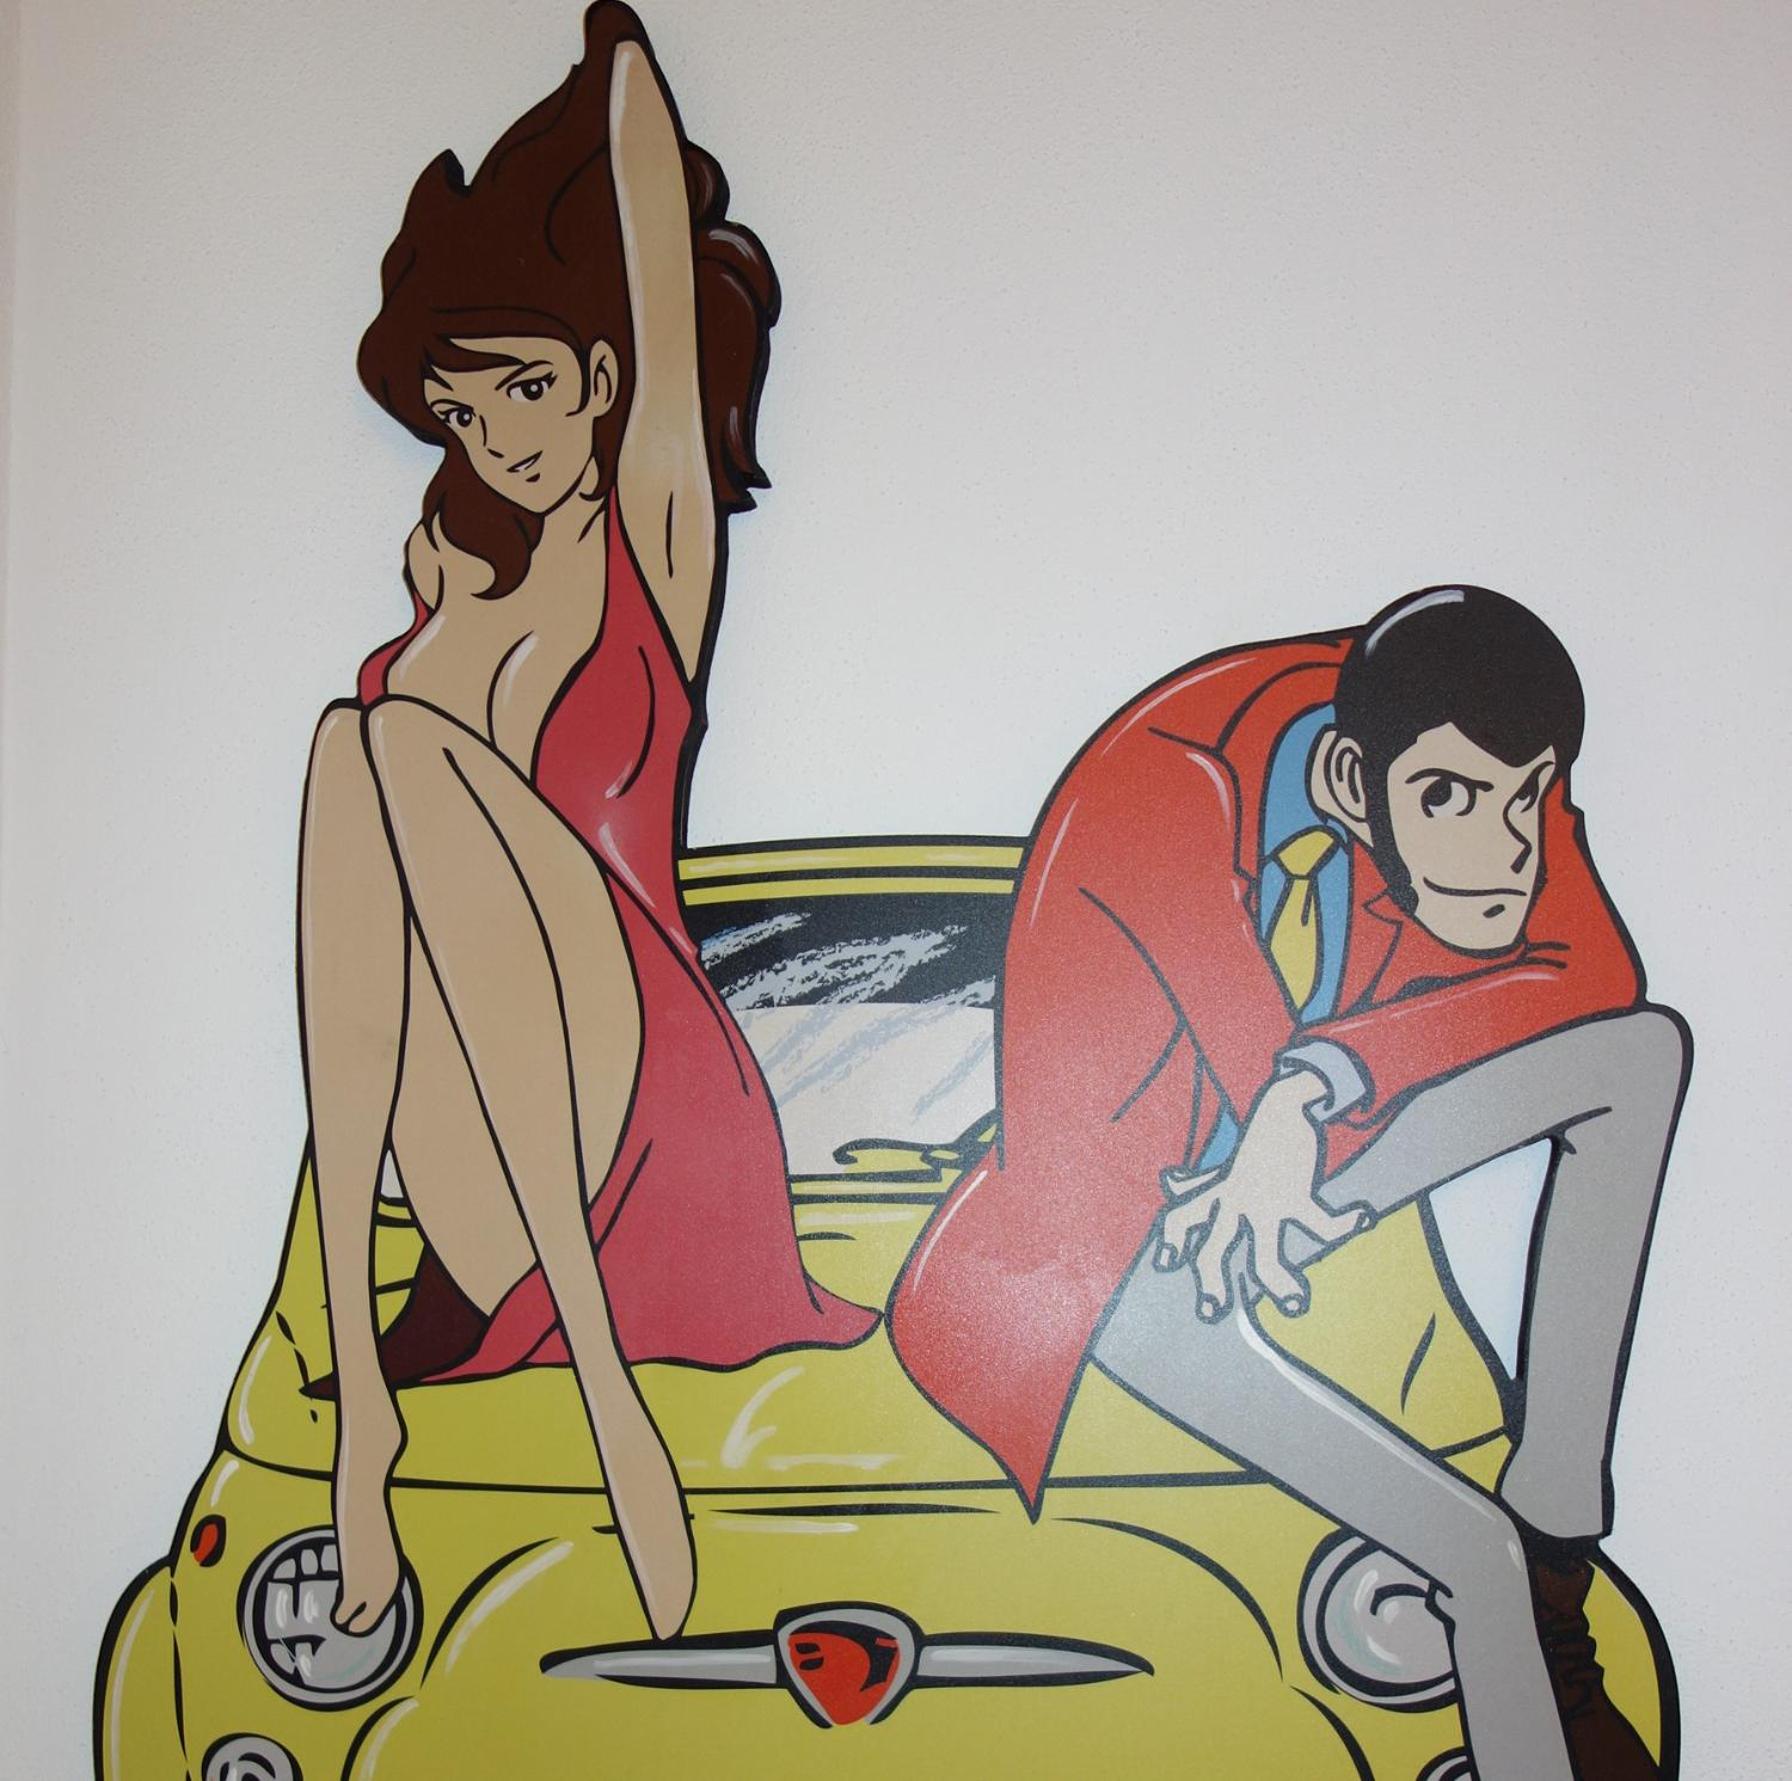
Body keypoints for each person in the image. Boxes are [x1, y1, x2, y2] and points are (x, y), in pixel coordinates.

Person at [889, 587, 1686, 1780]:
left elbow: (1593, 970)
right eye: (1450, 801)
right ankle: (1525, 1612)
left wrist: (1317, 1082)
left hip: (1303, 1164)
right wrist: (1303, 1089)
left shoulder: (1473, 714)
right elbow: (1253, 1061)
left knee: (1640, 1055)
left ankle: (1557, 1540)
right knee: (1468, 1555)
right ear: (1353, 784)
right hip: (1131, 1257)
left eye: (1525, 799)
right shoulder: (1164, 788)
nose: (1507, 846)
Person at [300, 2, 875, 1646]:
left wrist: (617, 60)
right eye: (465, 410)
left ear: (604, 378)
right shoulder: (431, 630)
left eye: (532, 392)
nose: (503, 440)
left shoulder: (653, 553)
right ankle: (366, 1410)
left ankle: (609, 1386)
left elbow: (656, 273)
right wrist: (439, 638)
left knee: (388, 746)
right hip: (488, 1166)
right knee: (354, 745)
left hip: (654, 1125)